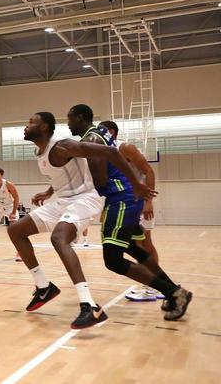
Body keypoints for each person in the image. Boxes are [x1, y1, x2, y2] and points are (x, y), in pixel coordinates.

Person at [7, 112, 156, 329]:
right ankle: (44, 286)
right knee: (16, 230)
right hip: (63, 201)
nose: (25, 125)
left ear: (45, 127)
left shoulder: (63, 146)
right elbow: (64, 176)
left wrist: (136, 184)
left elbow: (109, 151)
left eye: (31, 122)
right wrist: (48, 193)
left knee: (59, 238)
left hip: (86, 198)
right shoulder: (40, 151)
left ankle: (90, 306)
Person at [65, 106, 192, 321]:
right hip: (125, 198)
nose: (67, 124)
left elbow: (101, 179)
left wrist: (77, 194)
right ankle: (176, 291)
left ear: (80, 118)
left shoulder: (92, 140)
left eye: (69, 119)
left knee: (113, 260)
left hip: (119, 199)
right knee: (132, 247)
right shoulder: (99, 134)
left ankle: (174, 293)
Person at [100, 120, 163, 302]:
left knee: (146, 244)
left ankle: (154, 286)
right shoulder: (105, 152)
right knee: (134, 246)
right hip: (124, 203)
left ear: (111, 132)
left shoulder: (125, 148)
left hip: (139, 201)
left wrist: (148, 202)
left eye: (101, 131)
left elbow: (148, 172)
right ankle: (152, 283)